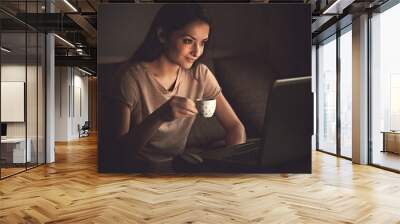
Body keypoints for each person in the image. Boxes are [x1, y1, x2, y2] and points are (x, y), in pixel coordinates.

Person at [112, 4, 246, 172]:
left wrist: (231, 165)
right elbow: (118, 154)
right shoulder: (130, 77)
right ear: (162, 35)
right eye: (188, 41)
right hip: (137, 172)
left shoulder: (200, 74)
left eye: (203, 42)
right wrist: (160, 115)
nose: (197, 52)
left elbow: (236, 127)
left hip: (177, 168)